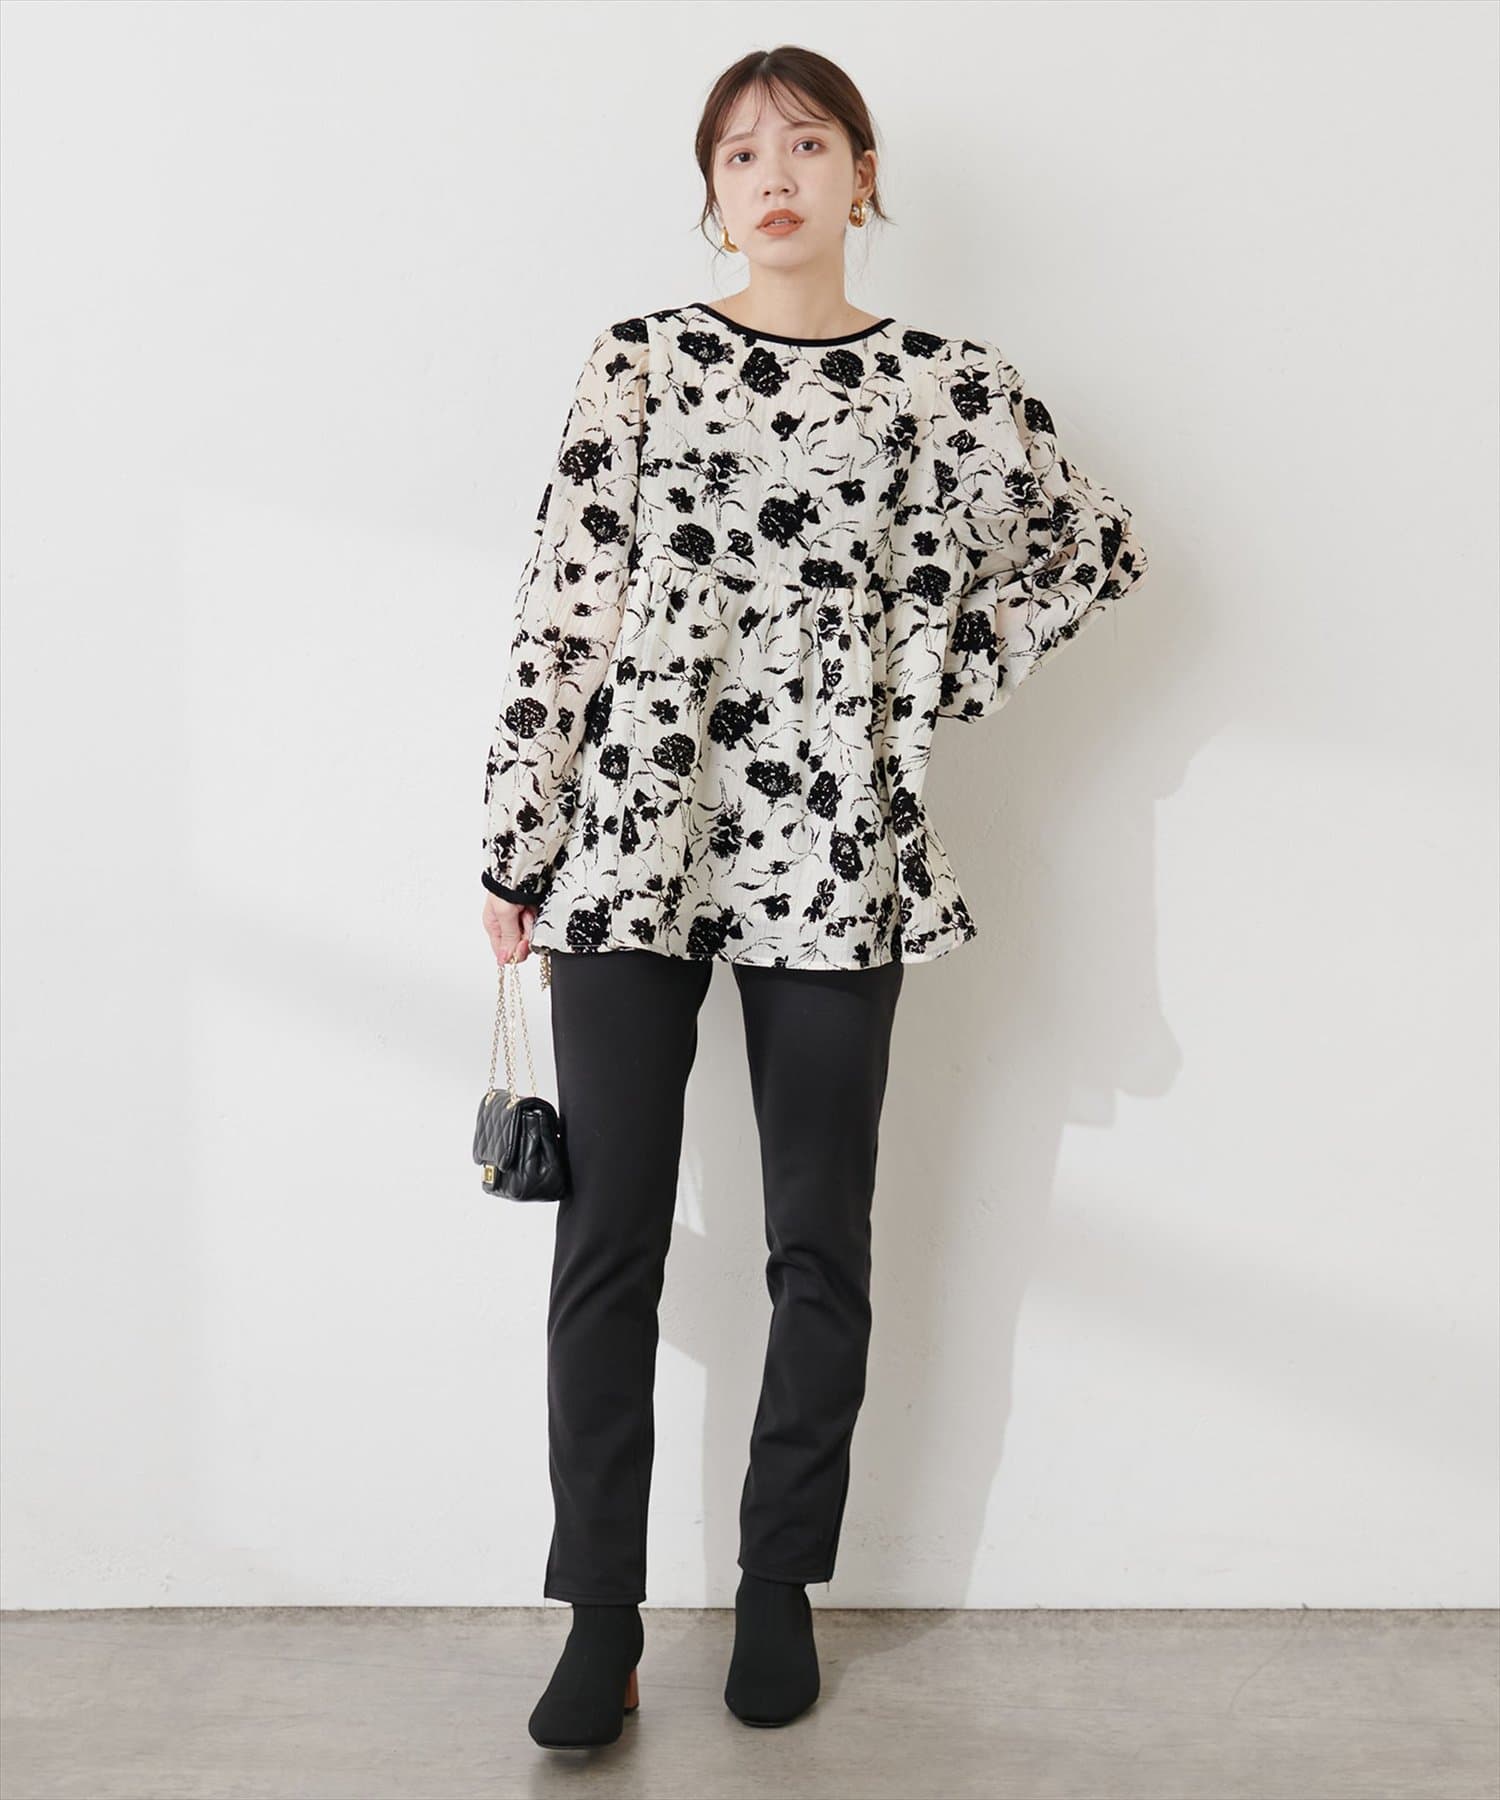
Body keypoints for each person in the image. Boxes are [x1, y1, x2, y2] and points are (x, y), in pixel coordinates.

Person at [478, 46, 1150, 1750]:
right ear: (711, 193)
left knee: (816, 1235)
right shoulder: (637, 361)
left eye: (805, 143)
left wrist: (917, 681)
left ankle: (778, 1585)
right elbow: (565, 604)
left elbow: (1091, 547)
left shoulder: (945, 385)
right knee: (609, 1238)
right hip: (635, 835)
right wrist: (514, 840)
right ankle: (603, 1618)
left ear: (864, 172)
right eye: (738, 153)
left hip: (838, 844)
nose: (772, 175)